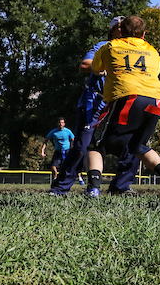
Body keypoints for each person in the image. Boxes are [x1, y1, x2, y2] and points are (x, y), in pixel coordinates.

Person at [85, 15, 160, 198]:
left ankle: (93, 189)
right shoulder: (153, 51)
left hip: (128, 97)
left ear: (121, 30)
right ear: (144, 34)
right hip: (156, 100)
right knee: (138, 146)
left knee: (96, 146)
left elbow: (96, 68)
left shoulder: (111, 46)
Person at [50, 17, 139, 196]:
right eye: (119, 27)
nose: (122, 30)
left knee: (134, 144)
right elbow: (85, 64)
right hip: (95, 102)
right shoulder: (103, 46)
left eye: (125, 27)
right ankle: (60, 188)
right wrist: (109, 67)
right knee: (82, 146)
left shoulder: (135, 49)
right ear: (112, 30)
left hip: (120, 102)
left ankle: (122, 186)